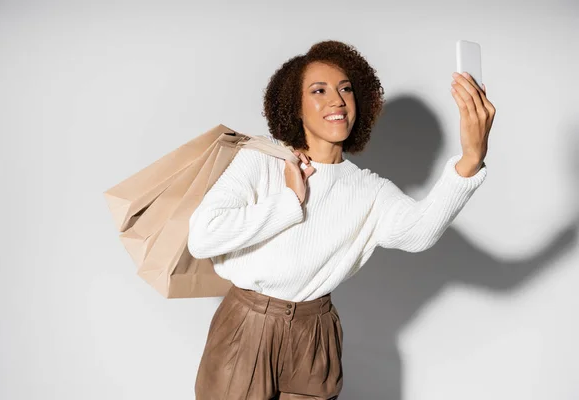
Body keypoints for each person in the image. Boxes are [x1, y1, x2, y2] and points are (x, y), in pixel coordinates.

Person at [187, 40, 495, 400]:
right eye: (319, 90)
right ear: (296, 107)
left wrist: (471, 159)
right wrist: (289, 202)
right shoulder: (261, 160)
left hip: (315, 331)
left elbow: (418, 233)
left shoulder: (369, 189)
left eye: (345, 89)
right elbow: (202, 236)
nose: (337, 100)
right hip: (248, 324)